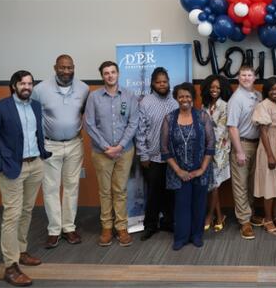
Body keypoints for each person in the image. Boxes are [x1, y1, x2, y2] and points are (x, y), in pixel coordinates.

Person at [0, 70, 52, 287]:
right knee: (12, 215)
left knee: (26, 211)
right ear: (13, 85)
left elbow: (36, 133)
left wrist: (42, 155)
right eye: (22, 83)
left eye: (30, 83)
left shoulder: (35, 106)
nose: (27, 87)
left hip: (35, 165)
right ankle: (10, 265)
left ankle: (21, 251)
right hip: (12, 168)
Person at [32, 54, 89, 249]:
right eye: (62, 68)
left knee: (72, 187)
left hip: (74, 144)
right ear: (55, 68)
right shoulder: (39, 90)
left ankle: (69, 227)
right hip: (50, 145)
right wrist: (38, 145)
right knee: (50, 188)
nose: (66, 71)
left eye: (70, 67)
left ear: (74, 67)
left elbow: (83, 113)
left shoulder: (84, 88)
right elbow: (33, 118)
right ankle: (54, 230)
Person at [84, 61, 139, 247]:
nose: (110, 76)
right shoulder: (94, 97)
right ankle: (107, 228)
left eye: (113, 72)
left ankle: (121, 227)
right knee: (105, 191)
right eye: (106, 73)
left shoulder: (129, 96)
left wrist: (120, 146)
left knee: (120, 190)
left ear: (118, 74)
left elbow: (133, 123)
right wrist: (106, 147)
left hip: (125, 151)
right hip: (101, 153)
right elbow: (89, 124)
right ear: (102, 76)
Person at [161, 83, 215, 250]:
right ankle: (181, 237)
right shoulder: (169, 118)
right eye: (181, 96)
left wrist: (202, 169)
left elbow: (211, 143)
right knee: (181, 205)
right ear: (176, 98)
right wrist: (178, 170)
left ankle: (197, 235)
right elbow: (163, 148)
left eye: (188, 96)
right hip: (178, 172)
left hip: (200, 170)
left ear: (193, 98)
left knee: (199, 204)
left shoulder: (203, 116)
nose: (184, 99)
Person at [135, 67, 178, 241]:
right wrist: (143, 155)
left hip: (172, 159)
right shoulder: (145, 102)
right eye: (158, 82)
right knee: (153, 194)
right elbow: (140, 131)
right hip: (152, 157)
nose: (162, 84)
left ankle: (168, 223)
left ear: (168, 82)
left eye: (164, 81)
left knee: (171, 193)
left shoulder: (175, 101)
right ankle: (150, 225)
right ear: (152, 84)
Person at [227, 65, 264, 240]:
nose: (246, 78)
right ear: (238, 77)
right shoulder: (236, 98)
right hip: (242, 145)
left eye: (249, 75)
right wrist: (239, 151)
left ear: (254, 78)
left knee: (251, 183)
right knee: (240, 184)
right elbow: (232, 127)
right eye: (243, 75)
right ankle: (244, 221)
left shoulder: (258, 96)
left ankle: (250, 213)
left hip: (258, 145)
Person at [252, 77, 276, 235]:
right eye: (272, 89)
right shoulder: (263, 106)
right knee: (269, 185)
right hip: (268, 147)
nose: (275, 91)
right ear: (266, 90)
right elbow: (263, 132)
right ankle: (267, 218)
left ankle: (275, 216)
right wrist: (270, 155)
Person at [200, 74, 232, 232]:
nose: (215, 90)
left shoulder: (225, 106)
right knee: (213, 185)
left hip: (219, 152)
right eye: (212, 87)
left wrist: (207, 143)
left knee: (214, 184)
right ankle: (219, 216)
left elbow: (220, 131)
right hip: (206, 151)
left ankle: (209, 215)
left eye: (218, 88)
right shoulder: (204, 106)